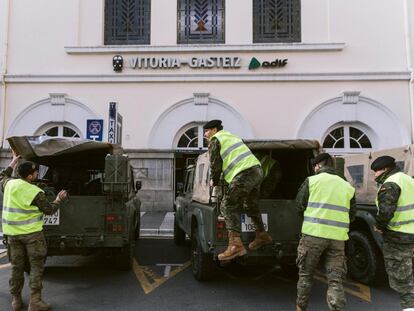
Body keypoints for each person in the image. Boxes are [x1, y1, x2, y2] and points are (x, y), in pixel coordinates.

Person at [1, 151, 68, 311]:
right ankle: (35, 302)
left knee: (17, 267)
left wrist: (13, 161)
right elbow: (49, 210)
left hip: (13, 235)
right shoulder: (35, 192)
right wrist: (59, 199)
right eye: (36, 172)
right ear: (30, 177)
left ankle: (16, 301)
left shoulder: (9, 184)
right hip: (32, 236)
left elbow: (2, 176)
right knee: (36, 267)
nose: (38, 173)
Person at [203, 119, 272, 261]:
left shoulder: (216, 139)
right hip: (257, 171)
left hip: (244, 173)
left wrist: (214, 181)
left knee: (227, 205)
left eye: (207, 131)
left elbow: (215, 165)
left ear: (215, 130)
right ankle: (261, 235)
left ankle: (235, 246)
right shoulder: (232, 137)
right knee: (250, 205)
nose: (205, 134)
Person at [295, 153, 356, 311]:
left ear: (318, 166)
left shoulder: (312, 180)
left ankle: (301, 308)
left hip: (313, 236)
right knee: (335, 280)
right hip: (337, 239)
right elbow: (352, 215)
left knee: (306, 276)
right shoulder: (347, 186)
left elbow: (299, 205)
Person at [371, 155, 414, 311]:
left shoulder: (390, 184)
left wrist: (379, 226)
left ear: (385, 169)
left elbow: (386, 212)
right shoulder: (408, 180)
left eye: (376, 171)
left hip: (398, 237)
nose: (375, 175)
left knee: (403, 279)